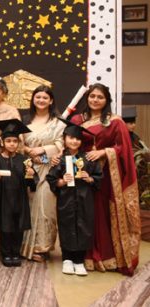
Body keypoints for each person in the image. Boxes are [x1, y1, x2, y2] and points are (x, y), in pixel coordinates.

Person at [70, 83, 139, 276]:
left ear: (107, 100)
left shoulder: (114, 122)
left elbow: (123, 148)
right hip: (82, 174)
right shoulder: (78, 119)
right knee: (84, 213)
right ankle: (85, 256)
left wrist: (104, 152)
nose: (95, 100)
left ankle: (107, 256)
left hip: (107, 176)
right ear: (87, 98)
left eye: (100, 97)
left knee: (102, 214)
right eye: (92, 96)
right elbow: (69, 141)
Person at [45, 119, 102, 276]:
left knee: (84, 226)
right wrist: (62, 181)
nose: (74, 141)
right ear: (64, 139)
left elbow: (98, 177)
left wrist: (88, 177)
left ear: (81, 141)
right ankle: (67, 259)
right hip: (66, 199)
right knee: (67, 226)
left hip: (85, 199)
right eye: (71, 137)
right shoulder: (59, 159)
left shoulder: (88, 159)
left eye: (77, 138)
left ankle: (79, 261)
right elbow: (51, 179)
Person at [20, 85, 65, 262]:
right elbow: (17, 143)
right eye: (37, 97)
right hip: (29, 170)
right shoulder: (25, 120)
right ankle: (26, 247)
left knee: (46, 208)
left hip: (49, 170)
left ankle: (42, 247)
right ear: (33, 99)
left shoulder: (58, 122)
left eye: (45, 98)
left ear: (51, 101)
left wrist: (42, 151)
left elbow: (62, 144)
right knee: (29, 208)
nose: (41, 100)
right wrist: (28, 151)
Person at [0, 119, 36, 267]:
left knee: (18, 227)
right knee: (6, 227)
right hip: (3, 198)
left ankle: (16, 253)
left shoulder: (24, 160)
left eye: (15, 141)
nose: (12, 144)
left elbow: (31, 185)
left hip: (20, 197)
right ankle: (6, 253)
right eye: (8, 141)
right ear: (2, 142)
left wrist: (31, 175)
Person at [123, 106, 150, 210]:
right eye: (130, 123)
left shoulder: (135, 137)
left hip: (139, 169)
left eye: (134, 123)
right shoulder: (120, 136)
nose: (133, 125)